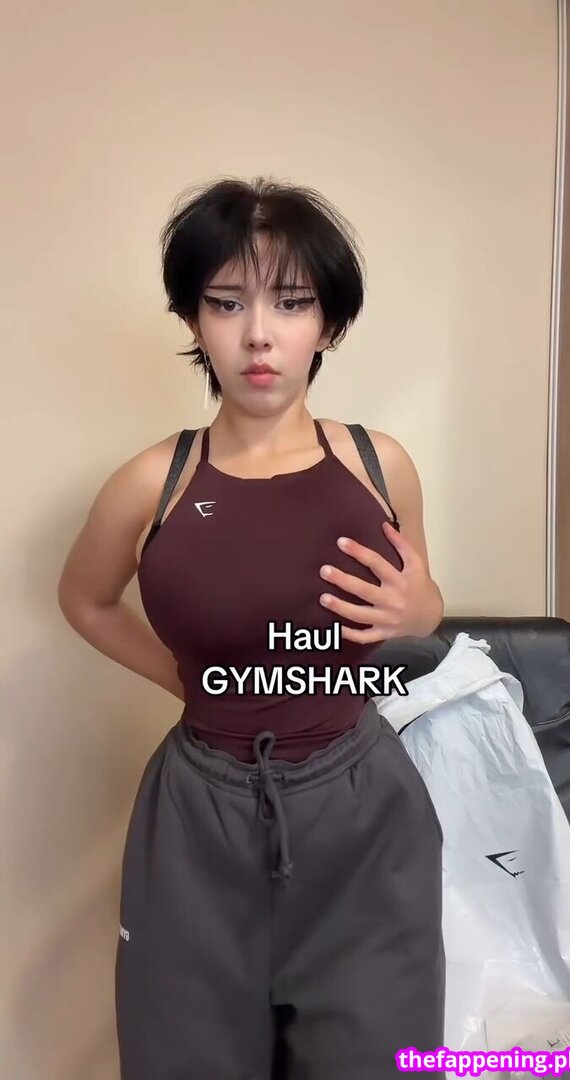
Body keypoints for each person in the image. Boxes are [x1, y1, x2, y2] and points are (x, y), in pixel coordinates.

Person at [57, 175, 446, 1080]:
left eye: (291, 302)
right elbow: (85, 600)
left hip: (363, 809)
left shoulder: (380, 464)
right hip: (200, 817)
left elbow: (423, 601)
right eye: (227, 303)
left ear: (329, 324)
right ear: (194, 323)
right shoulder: (149, 483)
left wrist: (417, 611)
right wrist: (187, 680)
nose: (259, 335)